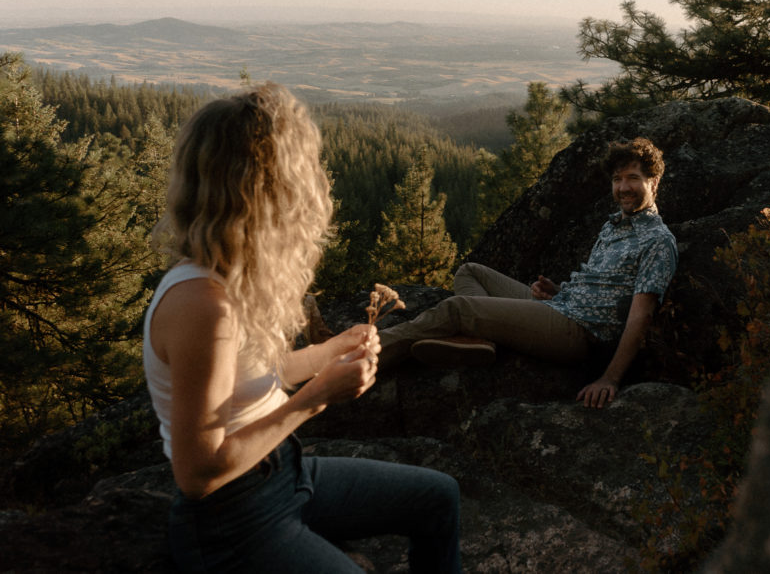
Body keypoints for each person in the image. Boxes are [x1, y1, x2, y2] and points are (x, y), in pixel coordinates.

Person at [143, 83, 461, 573]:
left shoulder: (227, 278)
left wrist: (332, 351)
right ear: (267, 191)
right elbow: (197, 474)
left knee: (438, 496)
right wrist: (315, 397)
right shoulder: (202, 305)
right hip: (233, 519)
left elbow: (246, 380)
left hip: (284, 476)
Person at [379, 137, 677, 409]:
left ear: (654, 182)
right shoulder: (613, 225)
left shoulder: (657, 241)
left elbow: (640, 316)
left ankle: (364, 355)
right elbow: (604, 289)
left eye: (633, 179)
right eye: (617, 179)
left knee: (458, 308)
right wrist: (559, 292)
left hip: (578, 332)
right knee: (471, 272)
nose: (623, 187)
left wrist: (609, 379)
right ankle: (480, 341)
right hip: (560, 306)